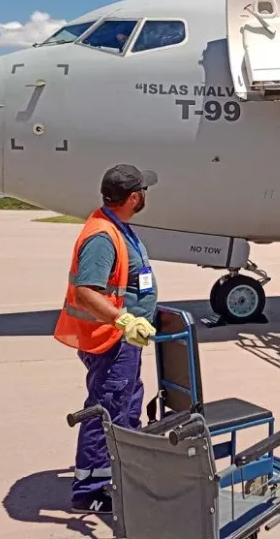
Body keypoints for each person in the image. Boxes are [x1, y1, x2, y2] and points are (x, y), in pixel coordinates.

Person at [53, 164, 159, 514]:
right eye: (144, 190)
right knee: (107, 408)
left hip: (123, 339)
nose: (146, 195)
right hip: (109, 339)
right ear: (134, 197)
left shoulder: (117, 227)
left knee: (126, 405)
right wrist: (123, 319)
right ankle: (91, 490)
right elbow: (86, 291)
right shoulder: (102, 236)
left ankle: (120, 474)